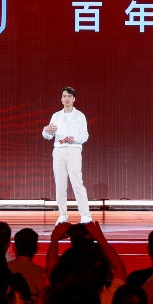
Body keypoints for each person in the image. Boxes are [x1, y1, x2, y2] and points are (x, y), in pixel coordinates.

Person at [42, 87, 92, 225]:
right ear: (61, 99)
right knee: (60, 184)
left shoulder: (80, 116)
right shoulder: (56, 116)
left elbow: (85, 136)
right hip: (59, 151)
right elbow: (48, 136)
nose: (67, 99)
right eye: (64, 96)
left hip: (73, 150)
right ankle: (62, 215)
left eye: (69, 96)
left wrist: (74, 139)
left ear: (74, 99)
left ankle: (85, 215)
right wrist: (45, 130)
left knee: (77, 182)